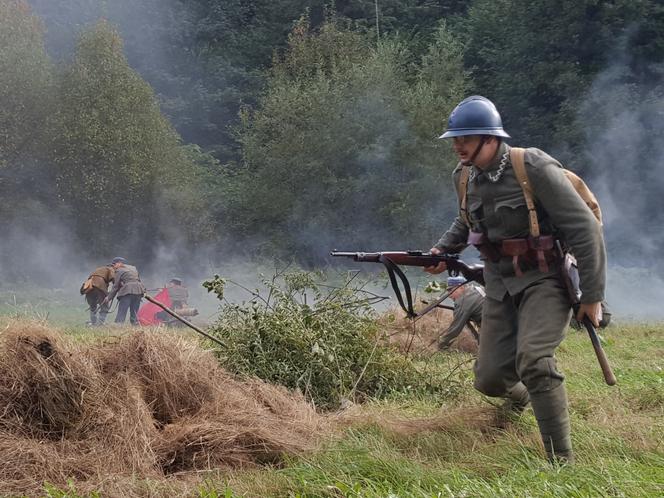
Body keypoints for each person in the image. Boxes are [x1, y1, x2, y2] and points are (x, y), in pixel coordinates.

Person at [425, 96, 606, 464]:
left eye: (466, 137)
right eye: (455, 138)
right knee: (489, 379)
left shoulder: (532, 166)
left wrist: (593, 295)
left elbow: (585, 230)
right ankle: (526, 399)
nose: (457, 145)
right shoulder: (464, 176)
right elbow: (467, 220)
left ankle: (562, 463)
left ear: (490, 139)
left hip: (546, 279)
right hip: (499, 284)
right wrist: (442, 252)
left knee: (534, 360)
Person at [438, 276, 484, 350]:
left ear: (461, 287)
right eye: (448, 291)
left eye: (451, 290)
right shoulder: (476, 289)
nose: (449, 295)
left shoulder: (463, 301)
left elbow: (454, 329)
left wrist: (440, 346)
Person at [104, 257, 146, 325]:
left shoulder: (119, 270)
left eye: (114, 264)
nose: (113, 267)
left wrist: (108, 298)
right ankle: (135, 325)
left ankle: (118, 325)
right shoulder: (133, 268)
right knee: (134, 311)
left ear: (119, 263)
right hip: (139, 290)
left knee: (122, 310)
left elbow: (115, 286)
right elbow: (137, 280)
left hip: (128, 290)